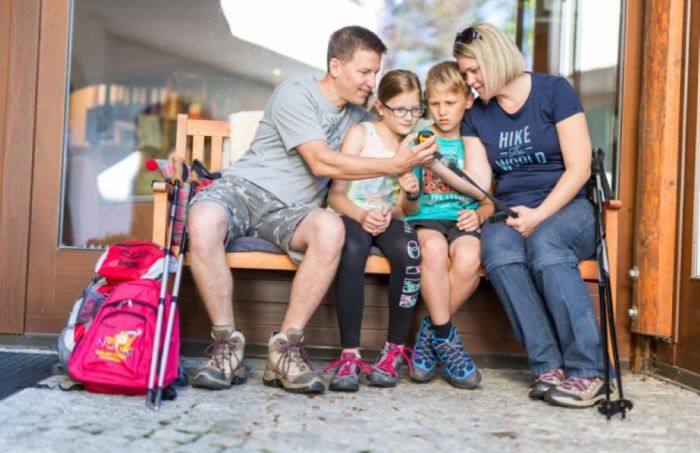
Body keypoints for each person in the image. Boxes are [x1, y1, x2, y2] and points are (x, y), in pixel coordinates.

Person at [185, 26, 437, 394]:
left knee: (331, 228)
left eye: (375, 73)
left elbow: (405, 120)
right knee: (204, 218)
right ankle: (226, 346)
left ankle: (285, 350)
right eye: (364, 72)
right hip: (245, 190)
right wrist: (395, 165)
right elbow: (320, 162)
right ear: (336, 66)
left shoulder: (359, 117)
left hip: (293, 211)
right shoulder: (297, 92)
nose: (371, 82)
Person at [455, 23, 612, 407]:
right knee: (498, 248)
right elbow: (480, 182)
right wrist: (437, 167)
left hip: (568, 206)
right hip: (511, 210)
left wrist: (540, 215)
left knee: (546, 244)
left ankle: (589, 372)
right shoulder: (476, 115)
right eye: (464, 74)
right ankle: (548, 367)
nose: (470, 81)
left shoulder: (553, 92)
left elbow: (578, 168)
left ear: (495, 59)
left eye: (474, 71)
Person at [324, 70, 424, 392]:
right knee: (351, 249)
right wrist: (361, 215)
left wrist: (410, 194)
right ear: (380, 107)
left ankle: (393, 351)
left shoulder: (415, 143)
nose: (408, 117)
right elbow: (335, 195)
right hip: (352, 213)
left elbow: (408, 210)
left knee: (410, 252)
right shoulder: (361, 134)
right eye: (400, 109)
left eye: (415, 109)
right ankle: (349, 355)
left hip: (387, 218)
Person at [405, 61, 493, 389]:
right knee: (433, 248)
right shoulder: (419, 139)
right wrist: (410, 191)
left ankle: (429, 335)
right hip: (426, 217)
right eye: (435, 103)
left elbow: (485, 197)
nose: (442, 112)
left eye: (450, 103)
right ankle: (445, 337)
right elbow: (409, 205)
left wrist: (479, 215)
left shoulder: (473, 143)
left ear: (468, 100)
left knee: (469, 258)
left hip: (462, 217)